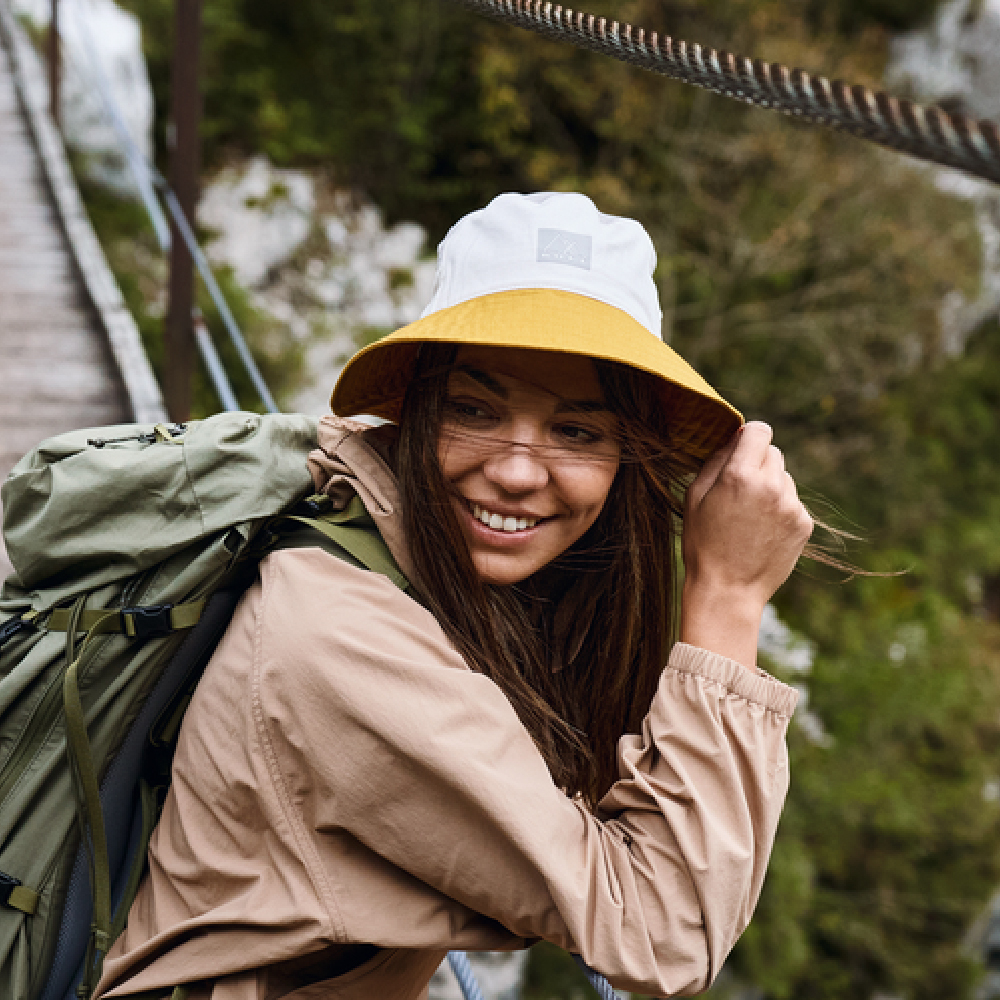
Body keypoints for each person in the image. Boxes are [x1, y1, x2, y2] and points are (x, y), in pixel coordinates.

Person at [95, 192, 813, 1000]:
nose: (514, 469)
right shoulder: (342, 634)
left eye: (577, 431)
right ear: (417, 412)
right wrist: (728, 591)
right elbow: (661, 931)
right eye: (475, 410)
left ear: (624, 461)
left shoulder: (409, 558)